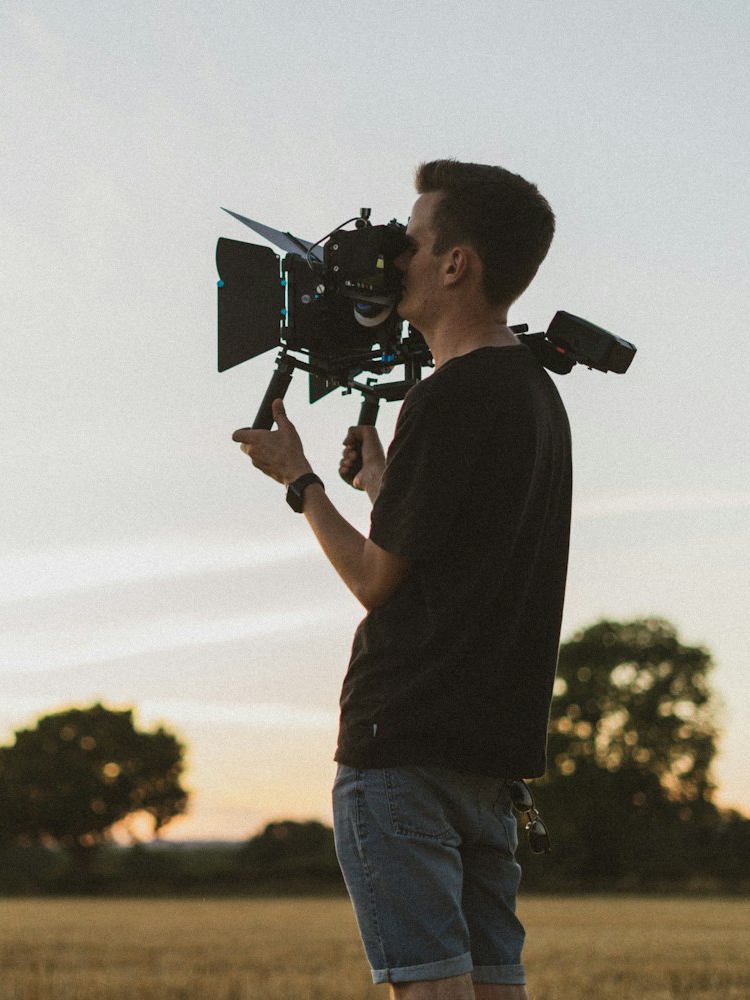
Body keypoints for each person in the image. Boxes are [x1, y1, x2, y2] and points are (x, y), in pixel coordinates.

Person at [232, 159, 569, 1000]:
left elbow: (379, 582)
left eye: (412, 242)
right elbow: (460, 552)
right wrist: (385, 486)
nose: (393, 261)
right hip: (488, 763)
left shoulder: (448, 397)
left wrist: (299, 481)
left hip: (403, 749)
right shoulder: (531, 392)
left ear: (457, 265)